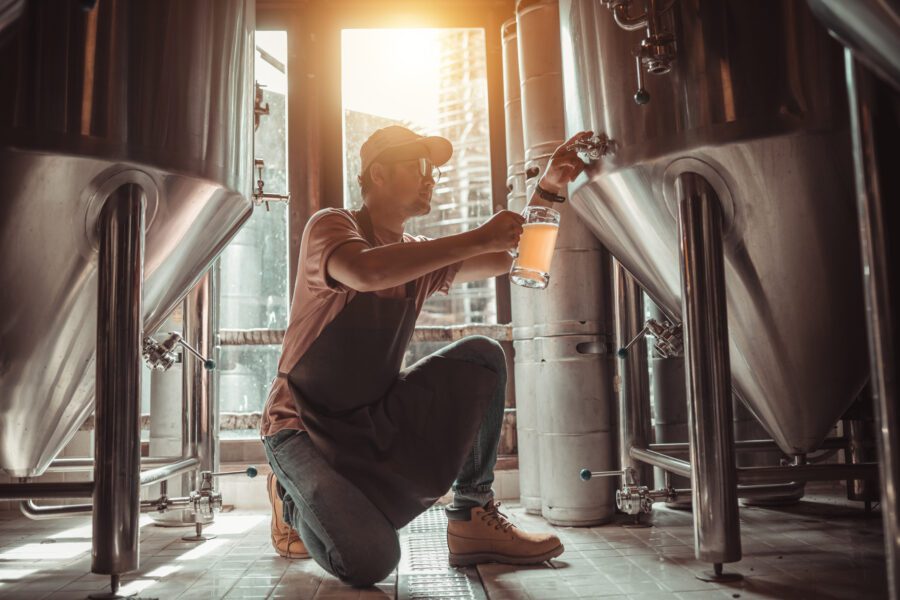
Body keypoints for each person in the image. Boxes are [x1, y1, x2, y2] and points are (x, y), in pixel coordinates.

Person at [259, 124, 593, 587]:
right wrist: (476, 237)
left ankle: (472, 515)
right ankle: (292, 502)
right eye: (418, 166)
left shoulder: (416, 256)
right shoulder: (334, 226)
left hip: (369, 423)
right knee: (370, 561)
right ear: (377, 173)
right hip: (301, 429)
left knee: (482, 356)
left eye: (433, 170)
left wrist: (550, 191)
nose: (430, 178)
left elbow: (512, 258)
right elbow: (365, 270)